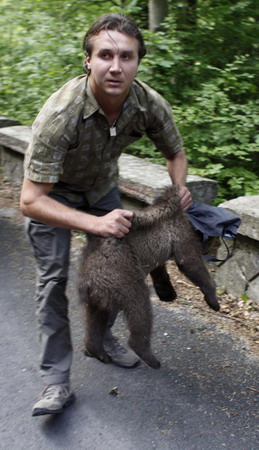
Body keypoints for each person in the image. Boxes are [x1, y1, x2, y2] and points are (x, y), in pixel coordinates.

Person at [20, 13, 192, 417]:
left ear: (138, 62)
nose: (116, 66)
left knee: (119, 271)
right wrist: (95, 224)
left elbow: (175, 153)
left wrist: (180, 187)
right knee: (54, 280)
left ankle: (101, 342)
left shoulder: (148, 103)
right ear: (88, 61)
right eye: (106, 55)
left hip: (101, 188)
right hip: (52, 195)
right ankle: (55, 382)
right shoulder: (60, 113)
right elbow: (29, 200)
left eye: (126, 56)